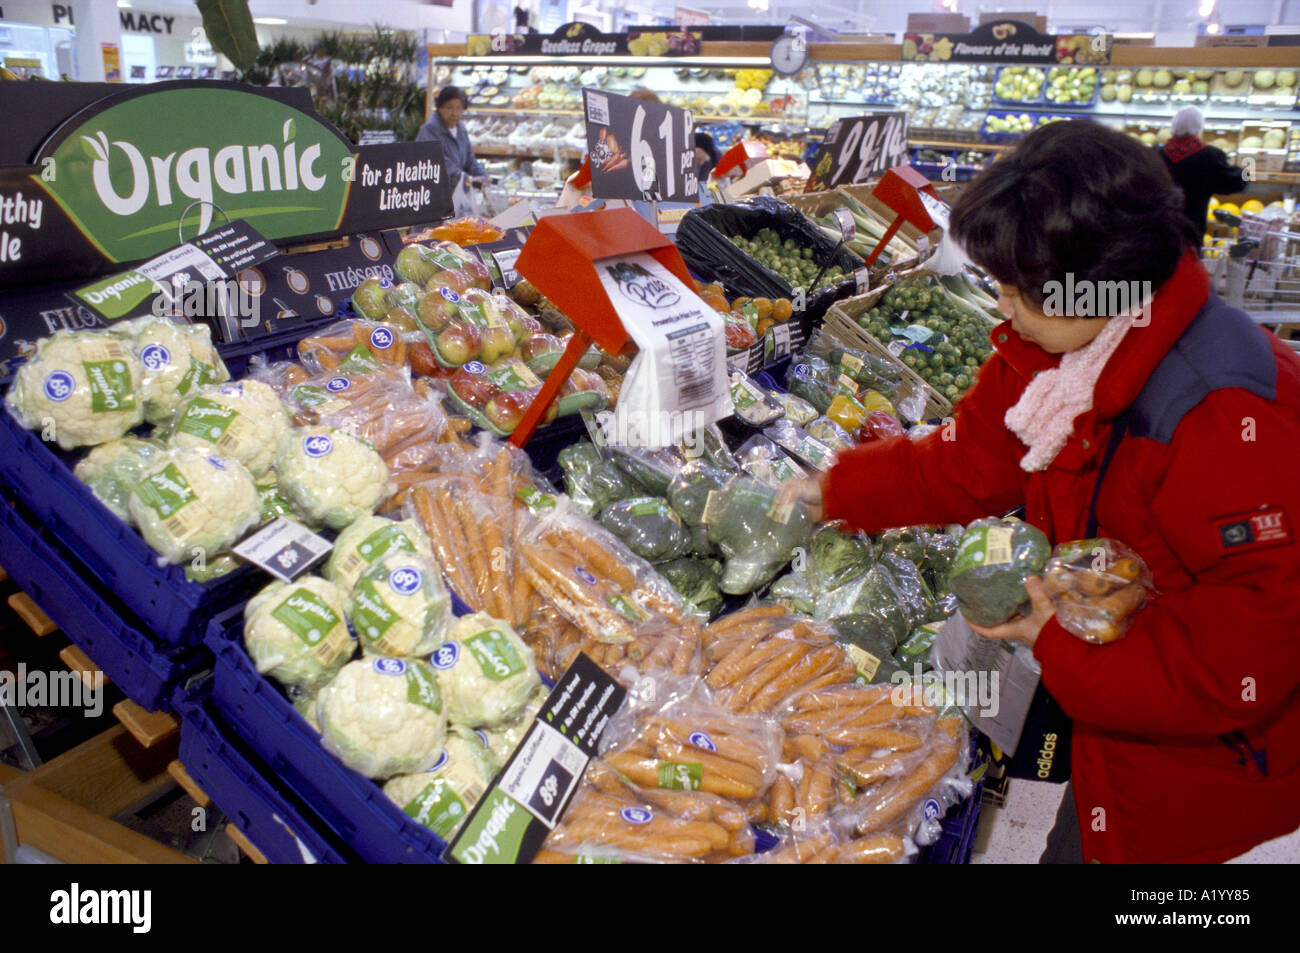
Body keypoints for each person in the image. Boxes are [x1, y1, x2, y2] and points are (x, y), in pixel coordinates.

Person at [785, 120, 1300, 864]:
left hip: (1204, 775)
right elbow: (968, 462)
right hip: (1111, 743)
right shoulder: (1060, 344)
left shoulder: (1224, 412)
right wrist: (832, 488)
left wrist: (1057, 644)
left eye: (1017, 288)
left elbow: (1244, 654)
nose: (1002, 305)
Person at [1158, 105, 1247, 241]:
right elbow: (1233, 183)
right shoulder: (1209, 156)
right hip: (1192, 228)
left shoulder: (1156, 154)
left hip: (1159, 229)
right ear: (1199, 127)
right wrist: (1248, 170)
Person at [417, 86, 488, 205]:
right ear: (440, 107)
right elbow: (438, 161)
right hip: (433, 197)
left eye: (459, 108)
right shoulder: (430, 130)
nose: (454, 113)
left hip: (455, 197)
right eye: (449, 108)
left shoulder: (461, 129)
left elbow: (470, 159)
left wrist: (482, 175)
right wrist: (463, 177)